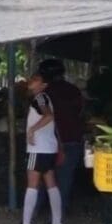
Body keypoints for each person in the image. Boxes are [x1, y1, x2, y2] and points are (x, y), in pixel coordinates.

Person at [18, 73, 64, 224]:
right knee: (51, 184)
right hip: (49, 149)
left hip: (37, 149)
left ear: (43, 85)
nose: (31, 80)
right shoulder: (41, 97)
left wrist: (32, 129)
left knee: (32, 185)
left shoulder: (40, 98)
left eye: (36, 79)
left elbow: (48, 116)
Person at [38, 59, 84, 214]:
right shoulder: (74, 90)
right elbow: (80, 112)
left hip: (51, 142)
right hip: (72, 139)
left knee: (42, 180)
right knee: (64, 181)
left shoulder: (44, 94)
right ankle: (58, 216)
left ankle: (34, 214)